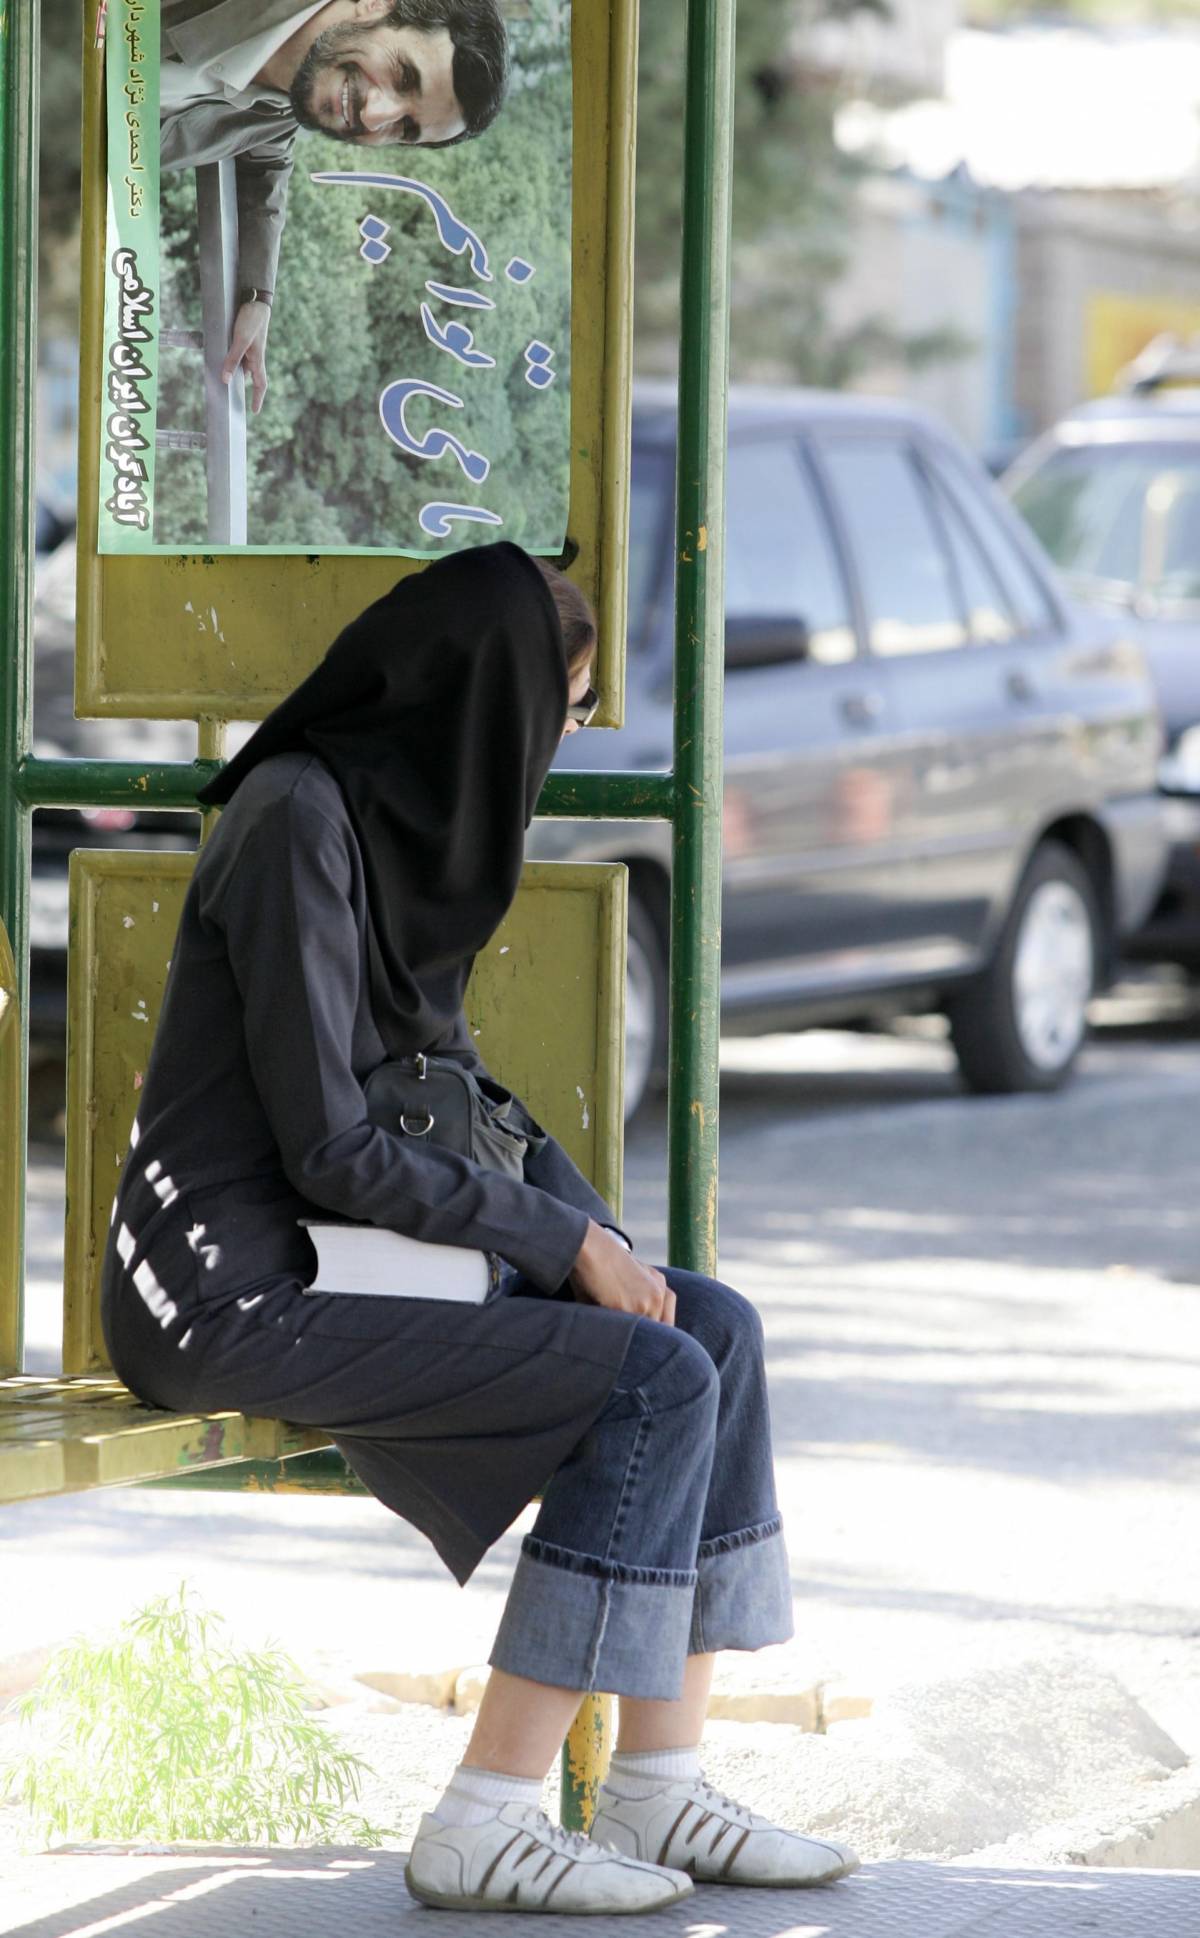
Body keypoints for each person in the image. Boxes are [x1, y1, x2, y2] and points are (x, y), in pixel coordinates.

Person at [99, 541, 860, 1916]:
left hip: (347, 1260)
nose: (556, 746)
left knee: (708, 1326)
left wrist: (596, 1237)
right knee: (650, 1377)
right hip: (234, 1300)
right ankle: (488, 1814)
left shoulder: (395, 834)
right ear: (484, 698)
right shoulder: (292, 823)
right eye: (559, 711)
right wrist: (565, 1251)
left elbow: (450, 1101)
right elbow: (330, 1141)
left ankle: (658, 1778)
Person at [160, 0, 509, 413]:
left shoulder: (282, 107)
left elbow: (270, 162)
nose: (375, 116)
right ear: (376, 5)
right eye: (403, 76)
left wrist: (257, 295)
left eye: (404, 129)